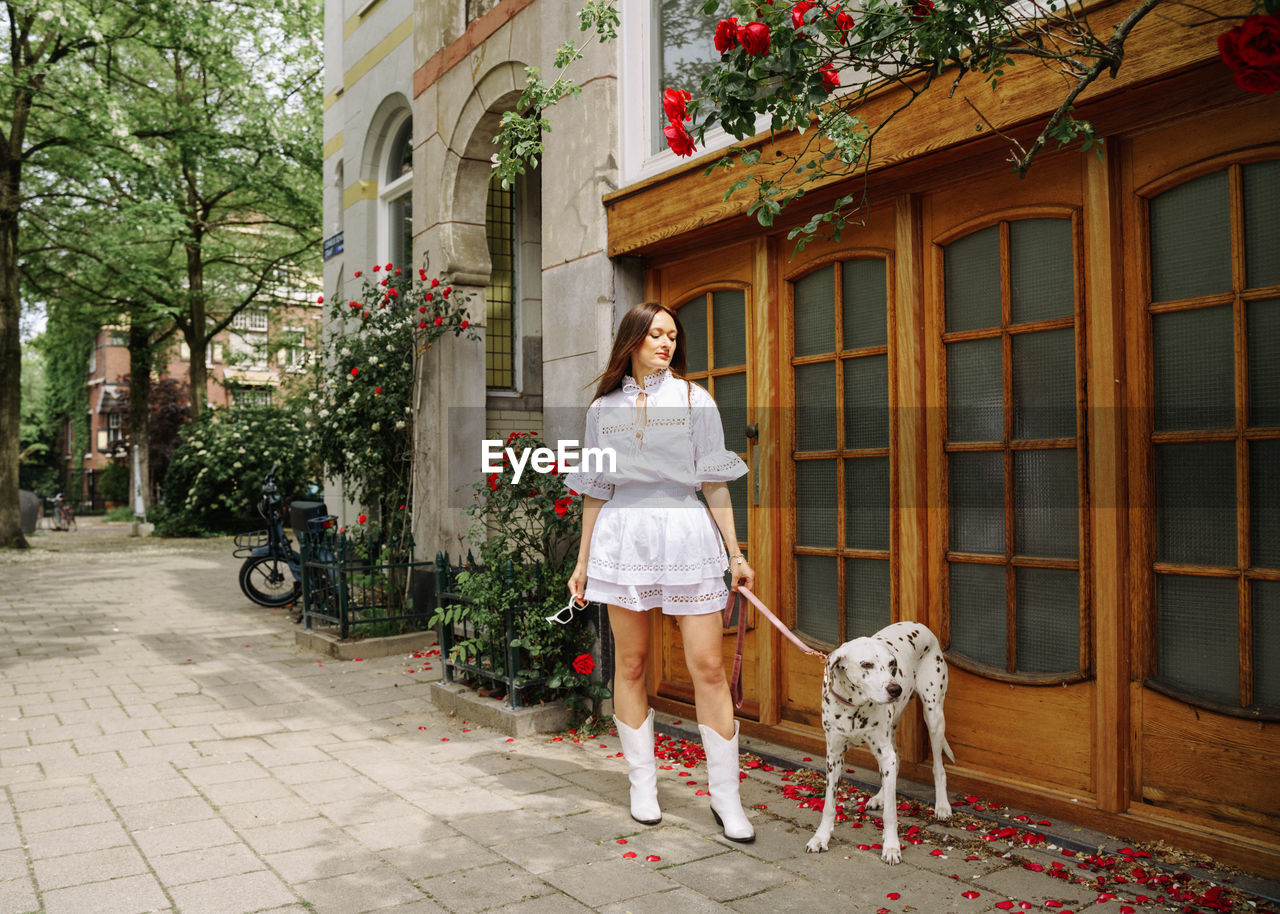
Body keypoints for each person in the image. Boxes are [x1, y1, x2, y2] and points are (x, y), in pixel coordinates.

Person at [565, 301, 758, 843]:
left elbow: (714, 481)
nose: (666, 344)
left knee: (709, 667)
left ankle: (727, 799)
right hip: (623, 536)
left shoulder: (697, 400)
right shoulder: (602, 411)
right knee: (630, 663)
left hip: (686, 532)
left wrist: (735, 556)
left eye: (672, 335)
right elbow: (596, 490)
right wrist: (581, 565)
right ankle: (642, 786)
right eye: (655, 334)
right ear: (632, 340)